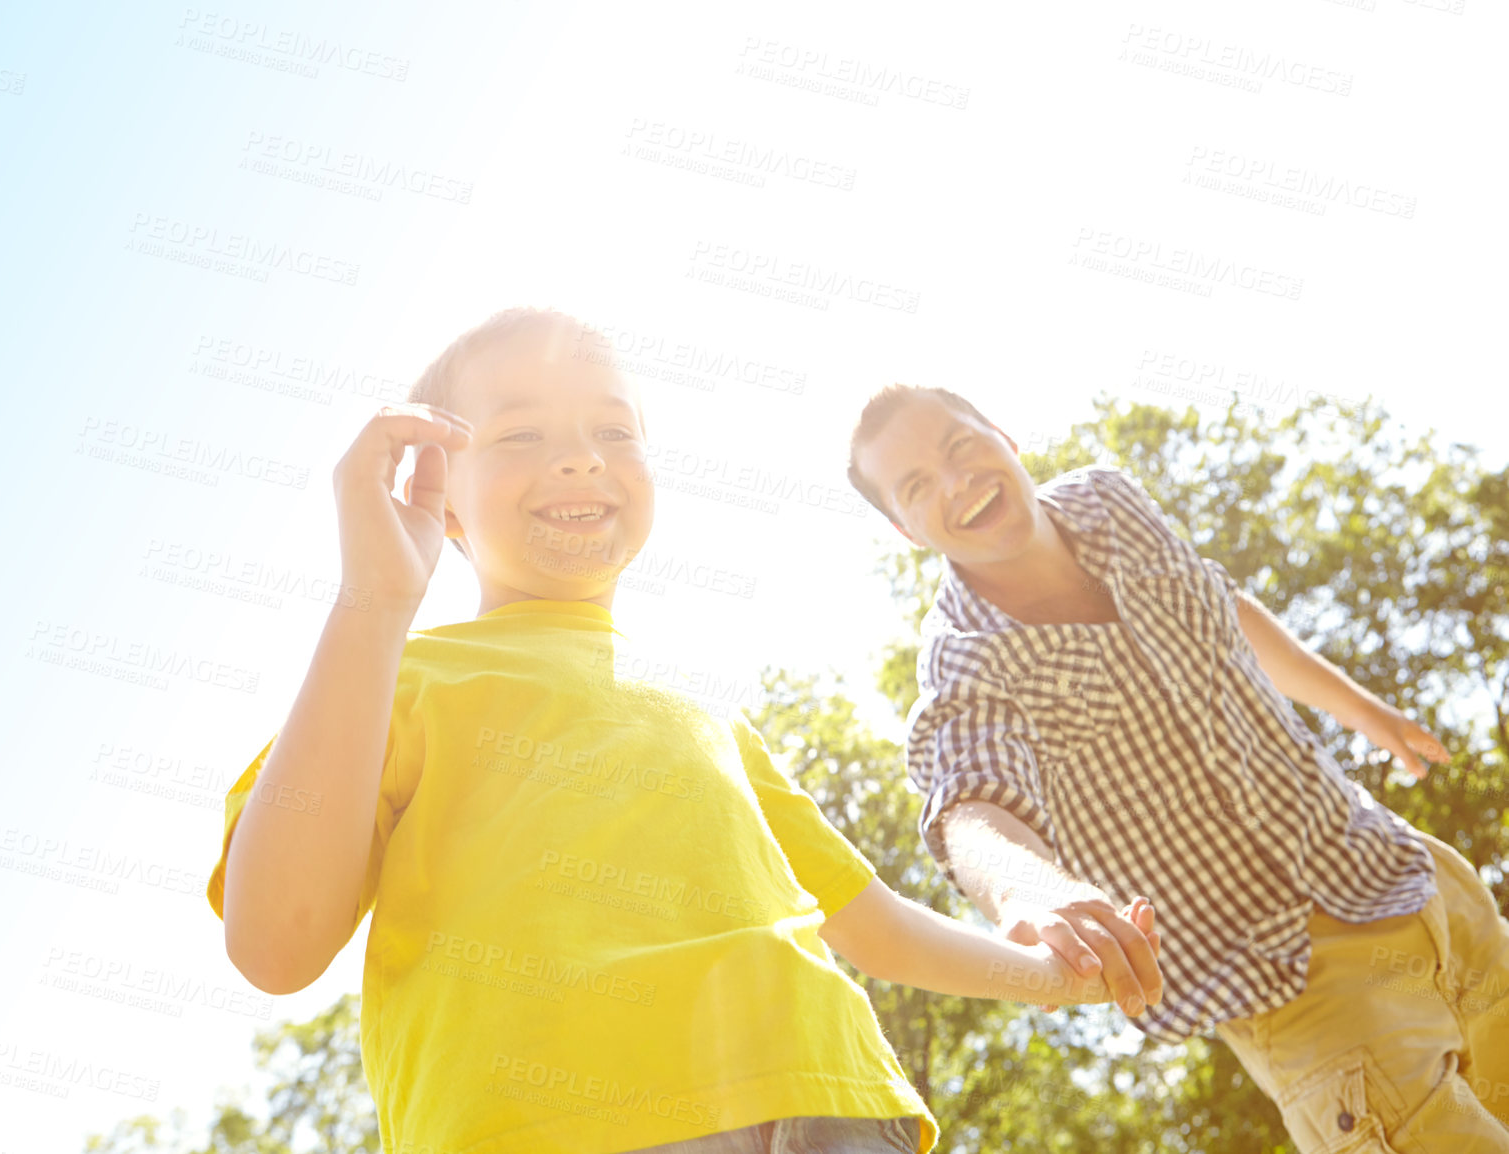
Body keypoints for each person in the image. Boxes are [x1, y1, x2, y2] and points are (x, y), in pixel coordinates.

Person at [206, 310, 1156, 1154]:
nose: (578, 457)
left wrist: (1049, 976)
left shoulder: (707, 712)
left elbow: (873, 926)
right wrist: (373, 602)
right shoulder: (393, 680)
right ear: (438, 497)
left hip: (839, 1106)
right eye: (522, 432)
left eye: (612, 429)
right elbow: (277, 943)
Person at [846, 383, 1509, 1152]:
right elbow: (968, 804)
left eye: (959, 446)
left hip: (1407, 873)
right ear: (905, 529)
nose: (957, 482)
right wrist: (1036, 892)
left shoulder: (1108, 500)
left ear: (1003, 435)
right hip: (1298, 984)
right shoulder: (968, 664)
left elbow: (1216, 603)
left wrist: (1360, 708)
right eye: (919, 486)